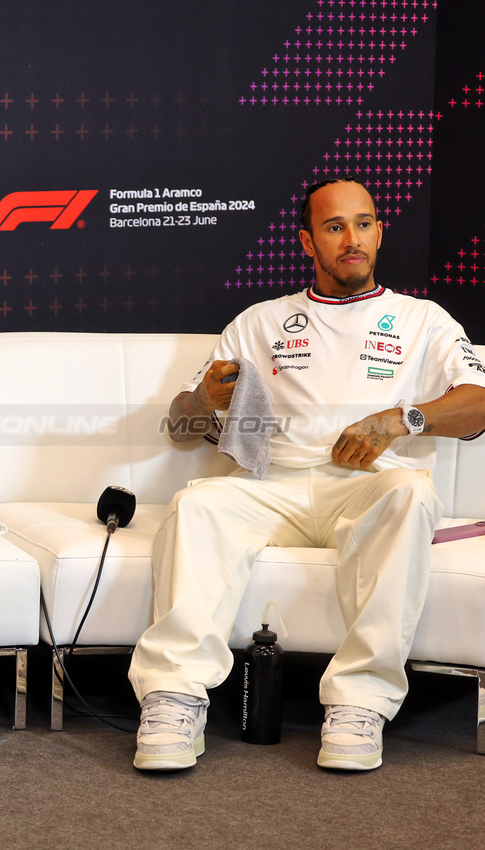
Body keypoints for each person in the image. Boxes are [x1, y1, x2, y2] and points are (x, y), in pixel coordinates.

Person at [129, 178, 485, 772]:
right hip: (273, 487)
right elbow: (179, 427)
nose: (353, 240)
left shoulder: (422, 319)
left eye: (364, 223)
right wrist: (202, 401)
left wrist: (403, 419)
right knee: (197, 504)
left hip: (367, 482)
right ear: (306, 241)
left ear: (379, 231)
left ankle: (359, 703)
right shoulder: (259, 322)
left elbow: (479, 401)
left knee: (410, 491)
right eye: (335, 227)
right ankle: (173, 697)